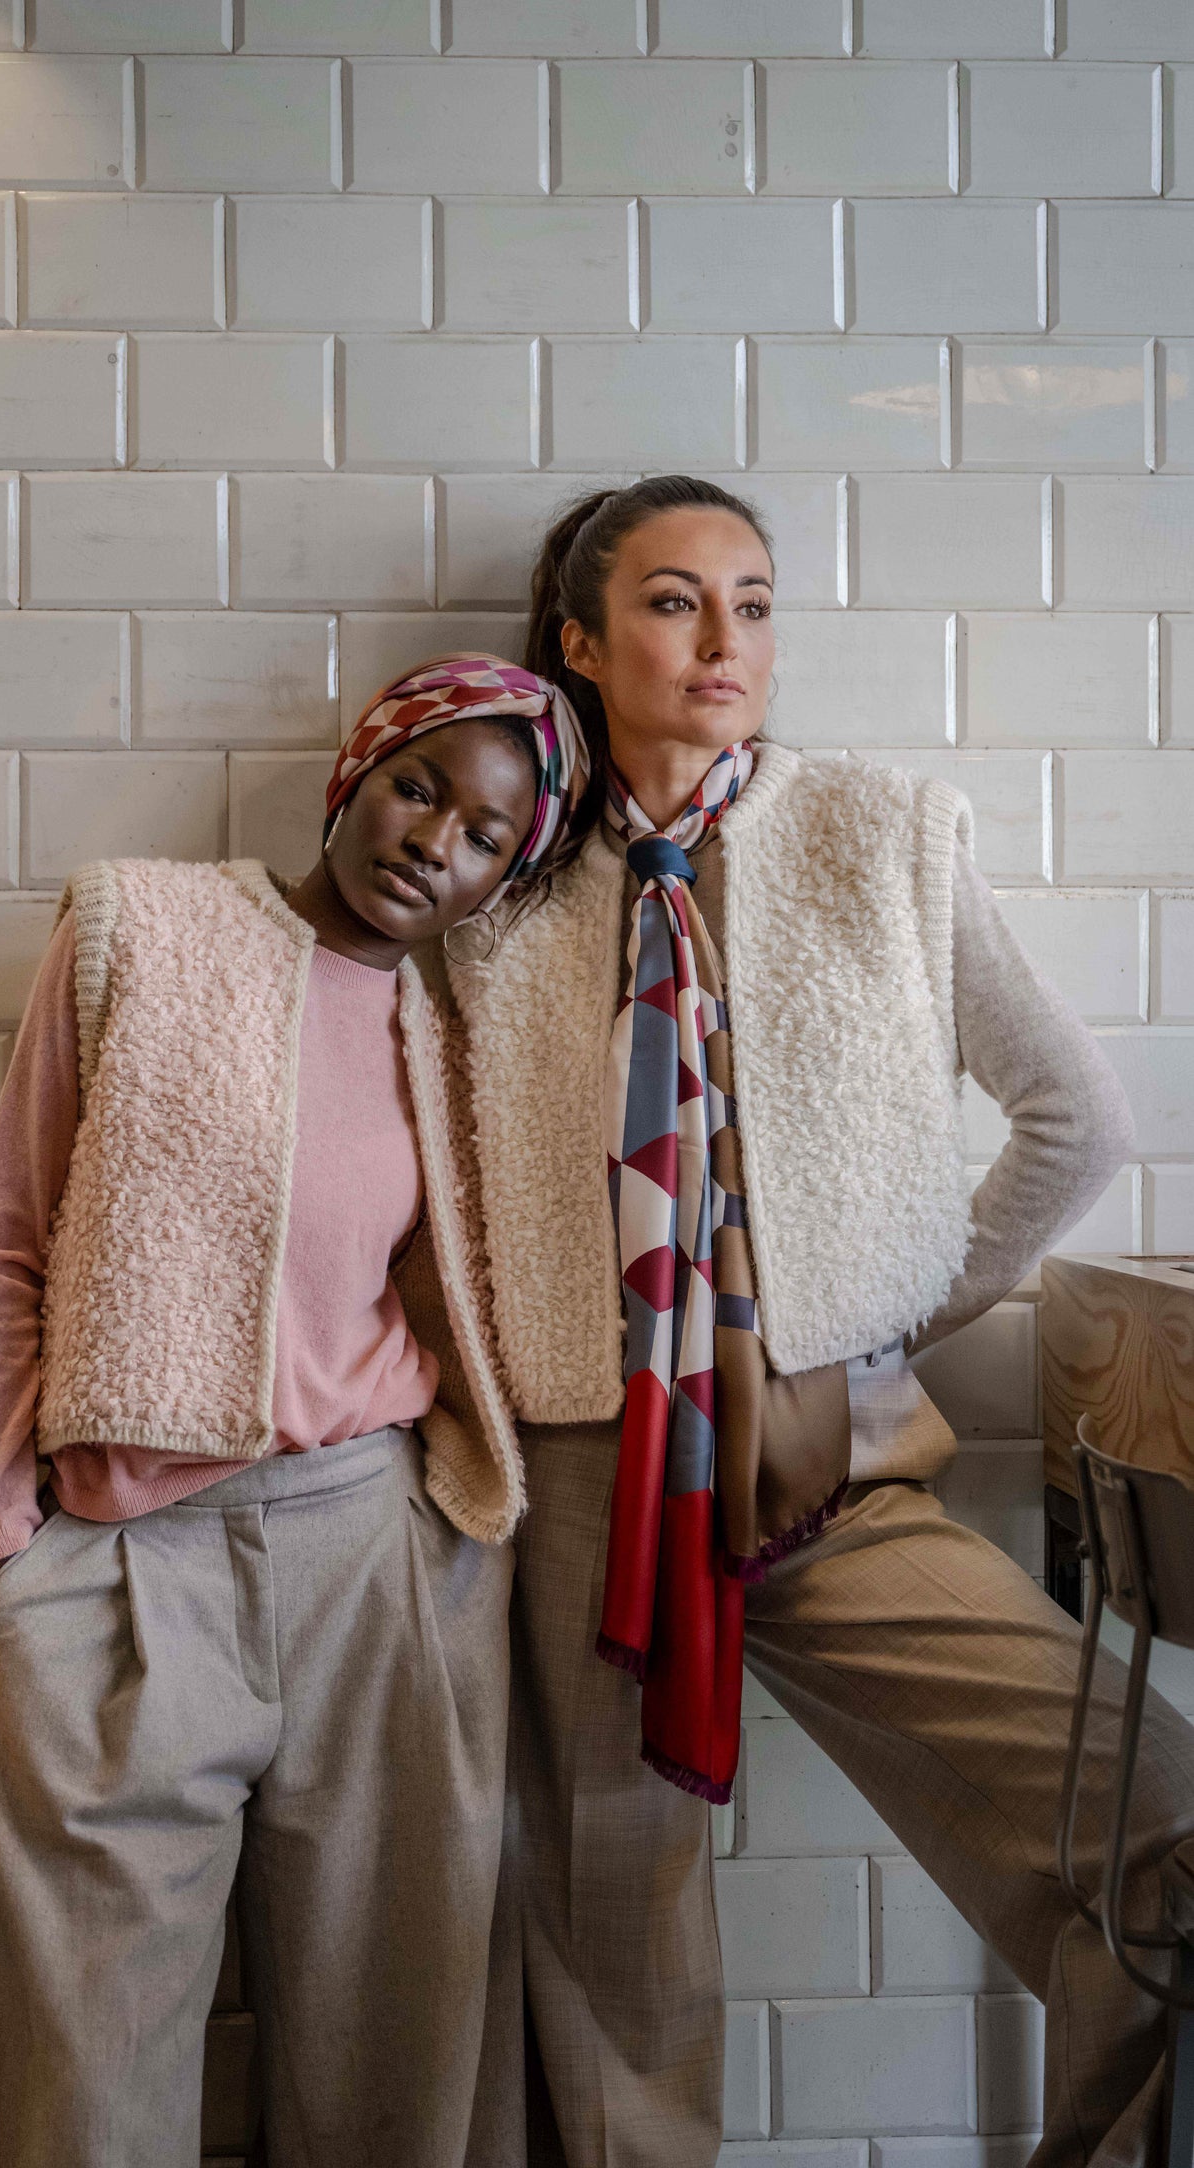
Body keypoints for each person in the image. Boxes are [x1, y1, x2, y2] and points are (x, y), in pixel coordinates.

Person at [448, 476, 1194, 2167]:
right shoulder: (499, 866)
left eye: (756, 601)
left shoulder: (878, 829)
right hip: (583, 1496)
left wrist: (873, 1324)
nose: (725, 641)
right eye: (671, 601)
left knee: (1159, 1829)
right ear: (579, 640)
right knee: (606, 1944)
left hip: (829, 1486)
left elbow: (1074, 1120)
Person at [0, 656, 587, 2168]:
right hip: (119, 1566)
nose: (436, 840)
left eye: (488, 835)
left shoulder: (455, 1035)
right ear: (356, 775)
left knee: (395, 2076)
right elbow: (3, 1238)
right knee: (86, 2095)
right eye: (420, 786)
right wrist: (1, 1548)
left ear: (505, 875)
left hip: (376, 1561)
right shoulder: (140, 927)